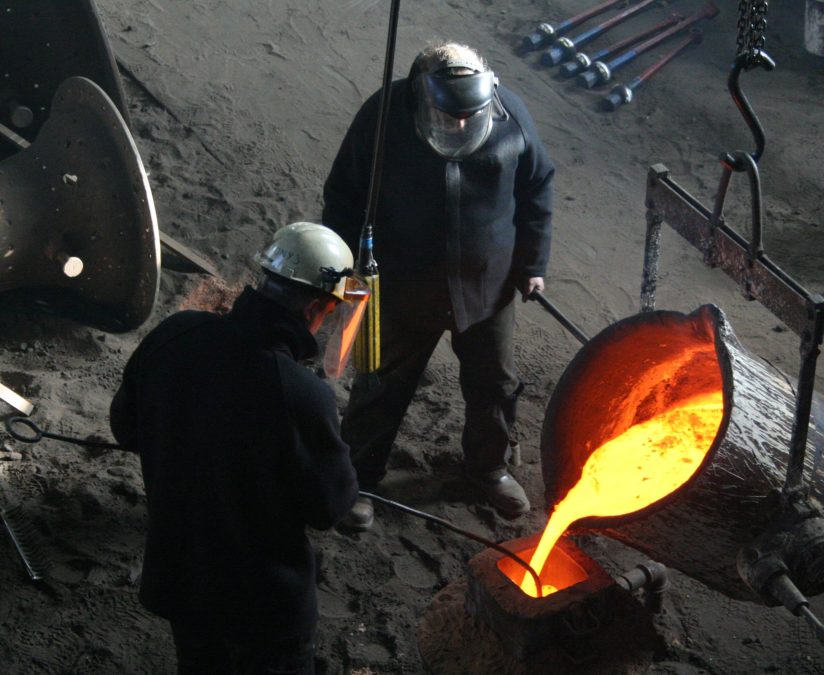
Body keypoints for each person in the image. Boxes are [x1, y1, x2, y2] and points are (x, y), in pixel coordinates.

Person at [110, 223, 368, 674]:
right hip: (261, 606)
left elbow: (125, 428)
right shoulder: (300, 392)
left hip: (180, 576)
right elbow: (329, 507)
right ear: (314, 308)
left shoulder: (176, 332)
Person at [322, 41, 555, 530]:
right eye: (451, 118)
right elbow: (343, 194)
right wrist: (345, 271)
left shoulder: (509, 115)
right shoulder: (384, 117)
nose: (463, 126)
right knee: (379, 386)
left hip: (487, 285)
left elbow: (537, 187)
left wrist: (532, 262)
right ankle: (358, 480)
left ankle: (488, 469)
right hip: (402, 285)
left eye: (472, 116)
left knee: (495, 384)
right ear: (423, 100)